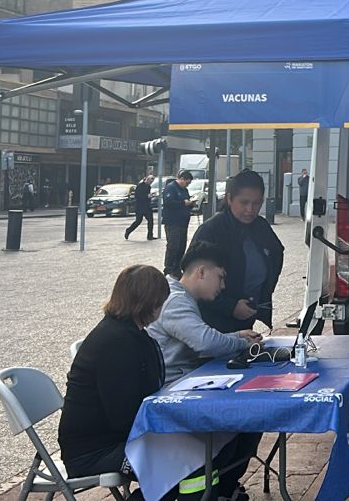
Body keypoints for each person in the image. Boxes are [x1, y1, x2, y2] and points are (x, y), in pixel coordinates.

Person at [147, 243, 263, 500]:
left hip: (184, 386)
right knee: (243, 418)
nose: (222, 286)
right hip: (172, 395)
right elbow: (204, 342)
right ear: (201, 272)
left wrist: (235, 336)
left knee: (248, 421)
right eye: (220, 277)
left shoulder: (181, 297)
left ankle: (223, 487)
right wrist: (241, 342)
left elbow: (201, 339)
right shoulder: (175, 300)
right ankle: (215, 489)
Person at [61, 264, 169, 486]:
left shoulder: (127, 333)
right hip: (92, 452)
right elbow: (124, 414)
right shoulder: (117, 343)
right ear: (149, 303)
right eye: (160, 303)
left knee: (188, 454)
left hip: (107, 441)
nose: (161, 310)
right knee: (179, 460)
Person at [189, 170, 284, 333]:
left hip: (246, 317)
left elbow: (277, 253)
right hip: (212, 322)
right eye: (244, 202)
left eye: (256, 203)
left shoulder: (261, 226)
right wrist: (230, 306)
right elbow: (193, 280)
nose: (250, 209)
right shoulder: (211, 231)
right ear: (230, 199)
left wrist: (263, 294)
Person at [160, 170, 194, 278]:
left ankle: (177, 268)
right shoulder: (171, 188)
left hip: (183, 222)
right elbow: (168, 202)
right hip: (172, 222)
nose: (187, 185)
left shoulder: (184, 190)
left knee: (181, 246)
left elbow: (187, 201)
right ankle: (169, 269)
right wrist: (183, 203)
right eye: (187, 182)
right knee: (173, 246)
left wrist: (191, 204)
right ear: (182, 179)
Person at [126, 170, 157, 241]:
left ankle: (150, 236)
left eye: (152, 182)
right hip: (140, 207)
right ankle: (128, 231)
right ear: (147, 179)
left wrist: (150, 197)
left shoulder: (148, 187)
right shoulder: (140, 186)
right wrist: (147, 196)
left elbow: (147, 196)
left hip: (147, 207)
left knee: (150, 220)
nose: (150, 182)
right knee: (138, 221)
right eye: (150, 181)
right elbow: (138, 196)